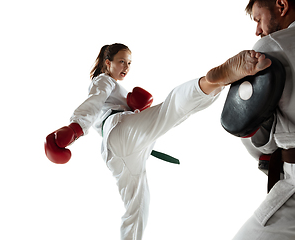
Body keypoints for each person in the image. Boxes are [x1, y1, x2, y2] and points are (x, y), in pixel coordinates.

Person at [44, 43, 271, 240]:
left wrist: (133, 106)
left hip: (121, 153)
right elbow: (94, 102)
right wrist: (75, 128)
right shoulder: (104, 81)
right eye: (121, 61)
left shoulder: (118, 90)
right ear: (107, 62)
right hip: (120, 131)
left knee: (137, 209)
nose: (126, 67)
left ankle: (213, 83)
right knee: (169, 110)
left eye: (129, 63)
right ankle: (213, 81)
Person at [232, 0, 295, 239]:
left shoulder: (271, 47)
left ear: (281, 5)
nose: (257, 30)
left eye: (258, 19)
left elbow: (258, 142)